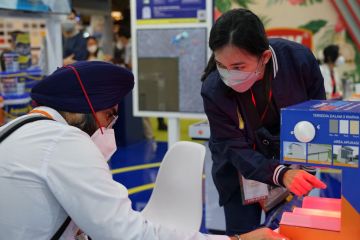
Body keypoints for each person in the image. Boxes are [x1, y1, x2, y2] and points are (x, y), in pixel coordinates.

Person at [0, 61, 288, 240]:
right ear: (84, 111)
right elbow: (124, 233)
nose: (109, 128)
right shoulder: (66, 142)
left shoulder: (16, 130)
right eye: (108, 116)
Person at [201, 9, 327, 235]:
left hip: (291, 161)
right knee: (244, 235)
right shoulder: (213, 89)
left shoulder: (298, 62)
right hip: (239, 173)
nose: (229, 75)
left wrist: (306, 167)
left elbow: (316, 116)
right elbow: (231, 145)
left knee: (290, 230)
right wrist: (280, 174)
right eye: (221, 65)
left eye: (239, 67)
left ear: (265, 57)